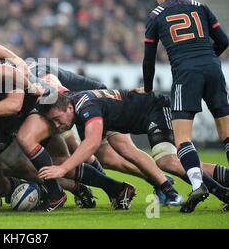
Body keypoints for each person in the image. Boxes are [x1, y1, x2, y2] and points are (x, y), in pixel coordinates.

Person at [37, 89, 229, 213]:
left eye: (57, 118)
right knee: (117, 154)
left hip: (156, 109)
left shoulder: (85, 107)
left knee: (167, 161)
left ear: (69, 107)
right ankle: (169, 188)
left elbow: (92, 143)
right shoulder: (75, 103)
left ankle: (220, 192)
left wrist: (62, 169)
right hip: (138, 114)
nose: (57, 125)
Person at [141, 0, 229, 209]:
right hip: (213, 69)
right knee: (227, 135)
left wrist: (147, 88)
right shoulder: (200, 6)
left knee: (182, 139)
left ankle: (198, 185)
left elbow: (148, 60)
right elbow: (223, 40)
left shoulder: (156, 15)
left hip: (185, 74)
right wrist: (207, 57)